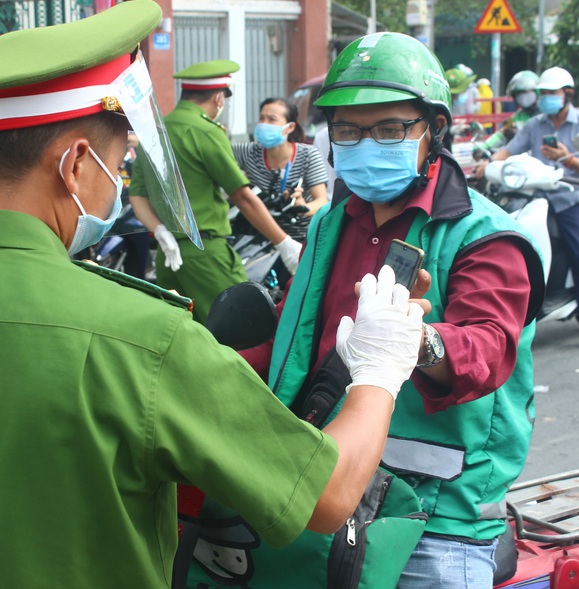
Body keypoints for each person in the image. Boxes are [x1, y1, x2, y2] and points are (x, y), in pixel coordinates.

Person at [0, 5, 429, 587]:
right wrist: (378, 369)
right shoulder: (140, 340)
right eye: (120, 162)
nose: (119, 182)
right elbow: (326, 496)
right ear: (76, 164)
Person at [239, 32, 545, 589]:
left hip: (437, 513)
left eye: (389, 130)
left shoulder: (486, 236)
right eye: (349, 131)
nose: (364, 144)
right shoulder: (331, 225)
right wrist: (194, 360)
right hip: (325, 478)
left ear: (434, 131)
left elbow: (487, 349)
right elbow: (292, 344)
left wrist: (416, 341)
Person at [129, 61, 302, 325]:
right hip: (205, 253)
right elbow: (242, 196)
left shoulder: (155, 131)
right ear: (219, 97)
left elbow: (137, 196)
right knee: (243, 330)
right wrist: (283, 242)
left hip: (169, 256)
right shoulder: (205, 131)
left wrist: (161, 232)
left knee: (182, 336)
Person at [476, 66, 579, 350]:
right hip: (533, 197)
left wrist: (568, 159)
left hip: (571, 198)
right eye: (543, 93)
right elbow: (509, 148)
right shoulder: (535, 124)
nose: (546, 98)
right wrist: (488, 163)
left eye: (552, 93)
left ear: (567, 94)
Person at [232, 97, 329, 244]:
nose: (264, 124)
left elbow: (322, 201)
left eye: (272, 119)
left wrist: (301, 208)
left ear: (290, 127)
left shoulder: (308, 155)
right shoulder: (247, 152)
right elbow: (214, 154)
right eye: (261, 118)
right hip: (259, 240)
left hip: (300, 239)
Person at [473, 70, 540, 160]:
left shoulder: (547, 116)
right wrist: (484, 147)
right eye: (519, 94)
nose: (523, 97)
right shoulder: (517, 117)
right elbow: (501, 134)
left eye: (526, 92)